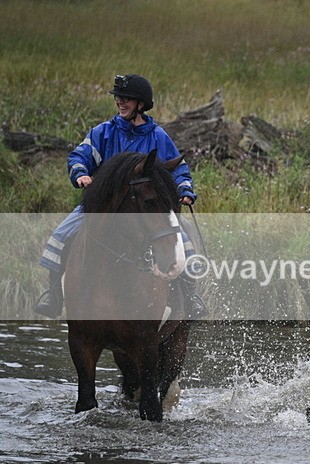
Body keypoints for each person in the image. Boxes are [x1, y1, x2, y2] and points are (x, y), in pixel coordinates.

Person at [35, 74, 207, 319]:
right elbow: (79, 156)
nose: (120, 102)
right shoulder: (102, 132)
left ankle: (190, 297)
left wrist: (185, 190)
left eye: (126, 98)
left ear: (140, 104)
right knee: (61, 235)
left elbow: (178, 168)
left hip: (145, 210)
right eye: (118, 97)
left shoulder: (157, 136)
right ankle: (54, 294)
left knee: (184, 242)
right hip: (101, 207)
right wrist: (81, 174)